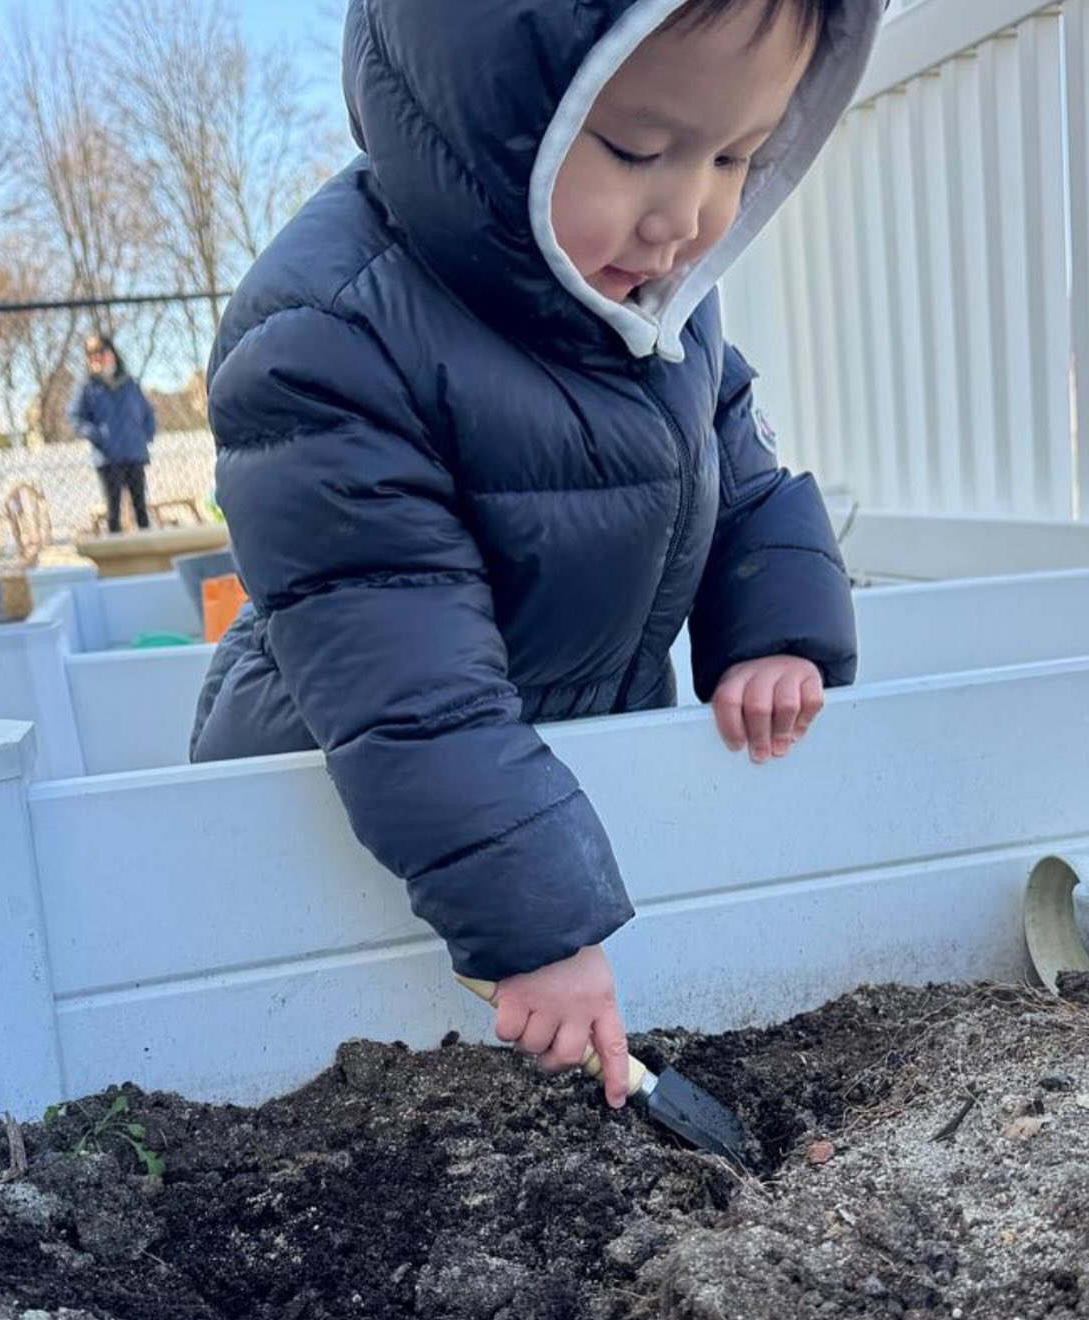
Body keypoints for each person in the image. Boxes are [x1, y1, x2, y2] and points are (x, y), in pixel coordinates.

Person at [191, 0, 883, 1109]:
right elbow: (406, 681)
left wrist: (773, 632)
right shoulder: (330, 336)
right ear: (486, 103)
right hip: (340, 807)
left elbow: (739, 474)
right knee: (344, 1080)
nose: (682, 217)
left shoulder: (659, 308)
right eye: (637, 149)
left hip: (525, 816)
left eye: (733, 158)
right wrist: (537, 925)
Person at [67, 334, 156, 533]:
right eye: (91, 354)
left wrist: (146, 435)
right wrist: (98, 436)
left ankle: (147, 545)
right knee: (113, 512)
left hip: (134, 452)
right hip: (109, 457)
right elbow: (75, 417)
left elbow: (147, 412)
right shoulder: (87, 386)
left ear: (112, 353)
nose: (98, 357)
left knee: (141, 509)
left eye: (101, 351)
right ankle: (116, 545)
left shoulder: (129, 383)